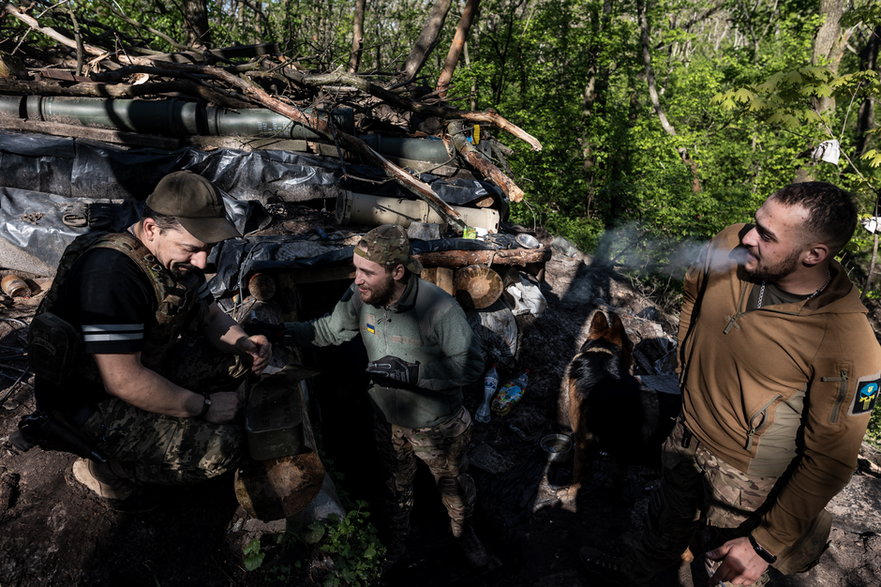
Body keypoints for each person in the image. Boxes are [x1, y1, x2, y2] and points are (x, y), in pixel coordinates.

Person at [580, 181, 881, 585]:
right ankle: (639, 570)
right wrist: (685, 366)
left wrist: (763, 544)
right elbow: (693, 292)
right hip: (687, 433)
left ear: (814, 254)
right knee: (664, 520)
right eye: (756, 223)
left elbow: (829, 460)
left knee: (728, 567)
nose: (748, 237)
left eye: (767, 236)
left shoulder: (848, 343)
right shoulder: (731, 243)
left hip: (748, 478)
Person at [27, 170, 271, 509]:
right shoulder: (113, 275)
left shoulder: (175, 261)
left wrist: (244, 342)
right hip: (88, 403)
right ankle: (105, 468)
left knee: (239, 361)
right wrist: (206, 406)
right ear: (152, 228)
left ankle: (170, 413)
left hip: (142, 363)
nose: (202, 260)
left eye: (208, 249)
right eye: (192, 249)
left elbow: (211, 315)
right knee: (224, 449)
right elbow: (123, 380)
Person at [283, 224, 490, 568]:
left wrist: (414, 374)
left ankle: (465, 536)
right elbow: (328, 331)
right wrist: (280, 333)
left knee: (453, 488)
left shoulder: (439, 309)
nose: (357, 279)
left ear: (397, 272)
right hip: (388, 422)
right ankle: (398, 544)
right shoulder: (360, 297)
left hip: (438, 427)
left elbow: (471, 367)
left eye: (367, 272)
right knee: (396, 488)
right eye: (356, 269)